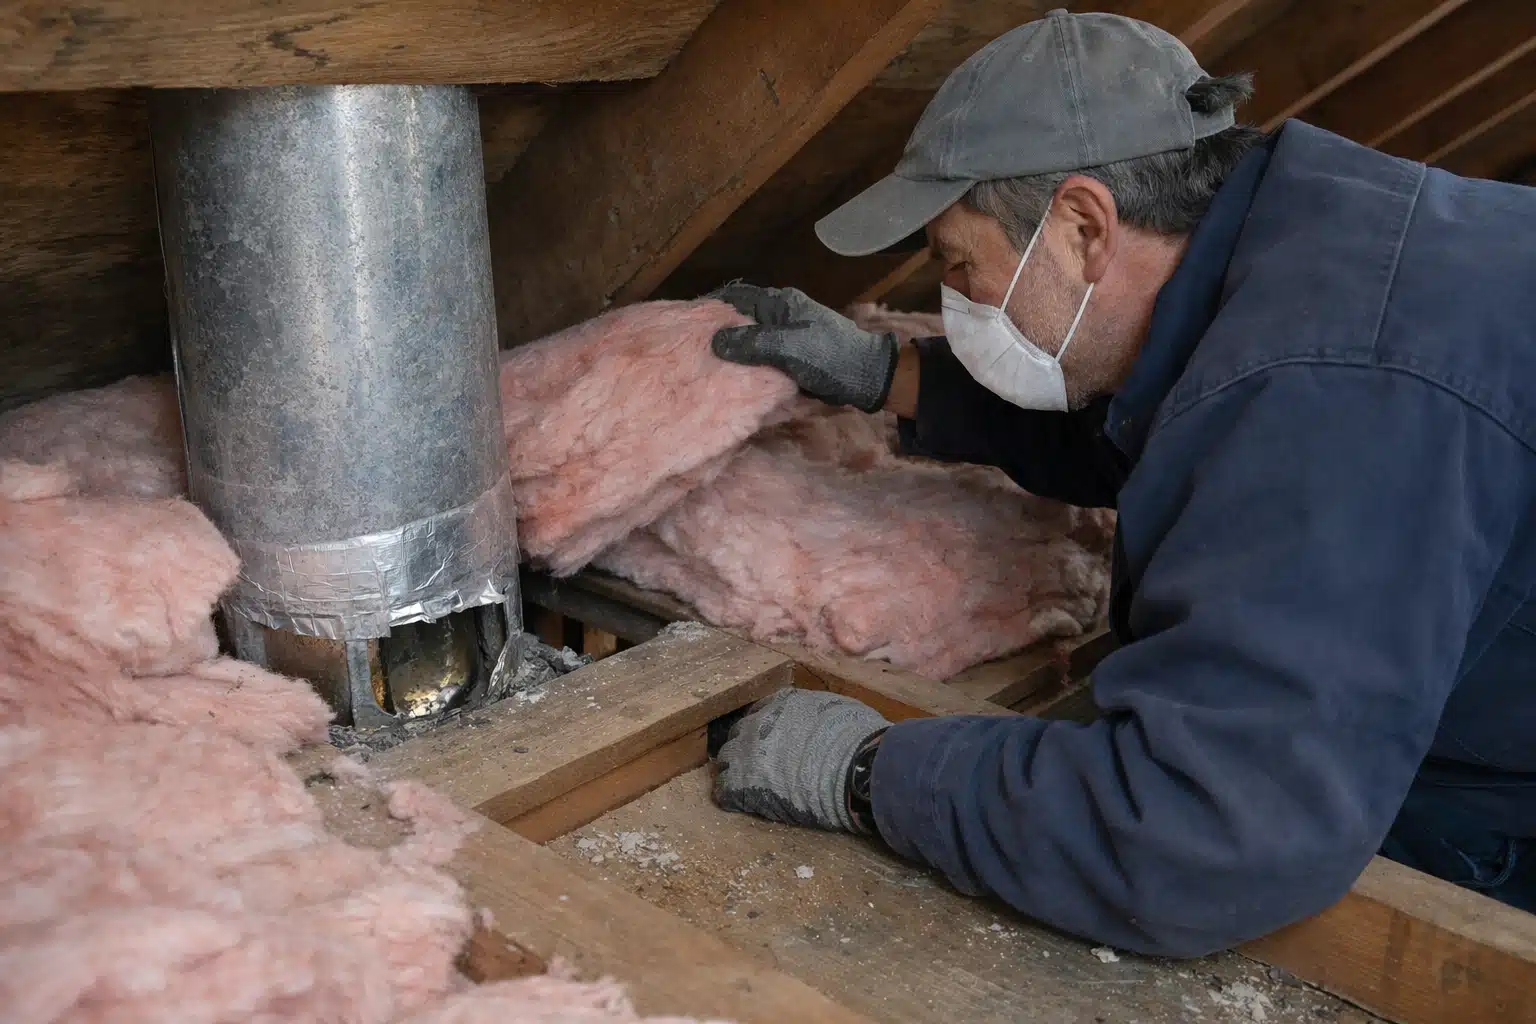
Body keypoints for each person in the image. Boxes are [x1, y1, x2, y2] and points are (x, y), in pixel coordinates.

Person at [703, 8, 1536, 956]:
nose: (953, 298)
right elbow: (1174, 423)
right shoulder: (1305, 231)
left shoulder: (1332, 392)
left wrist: (868, 772)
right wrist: (893, 376)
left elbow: (1205, 834)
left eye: (957, 263)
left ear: (1085, 224)